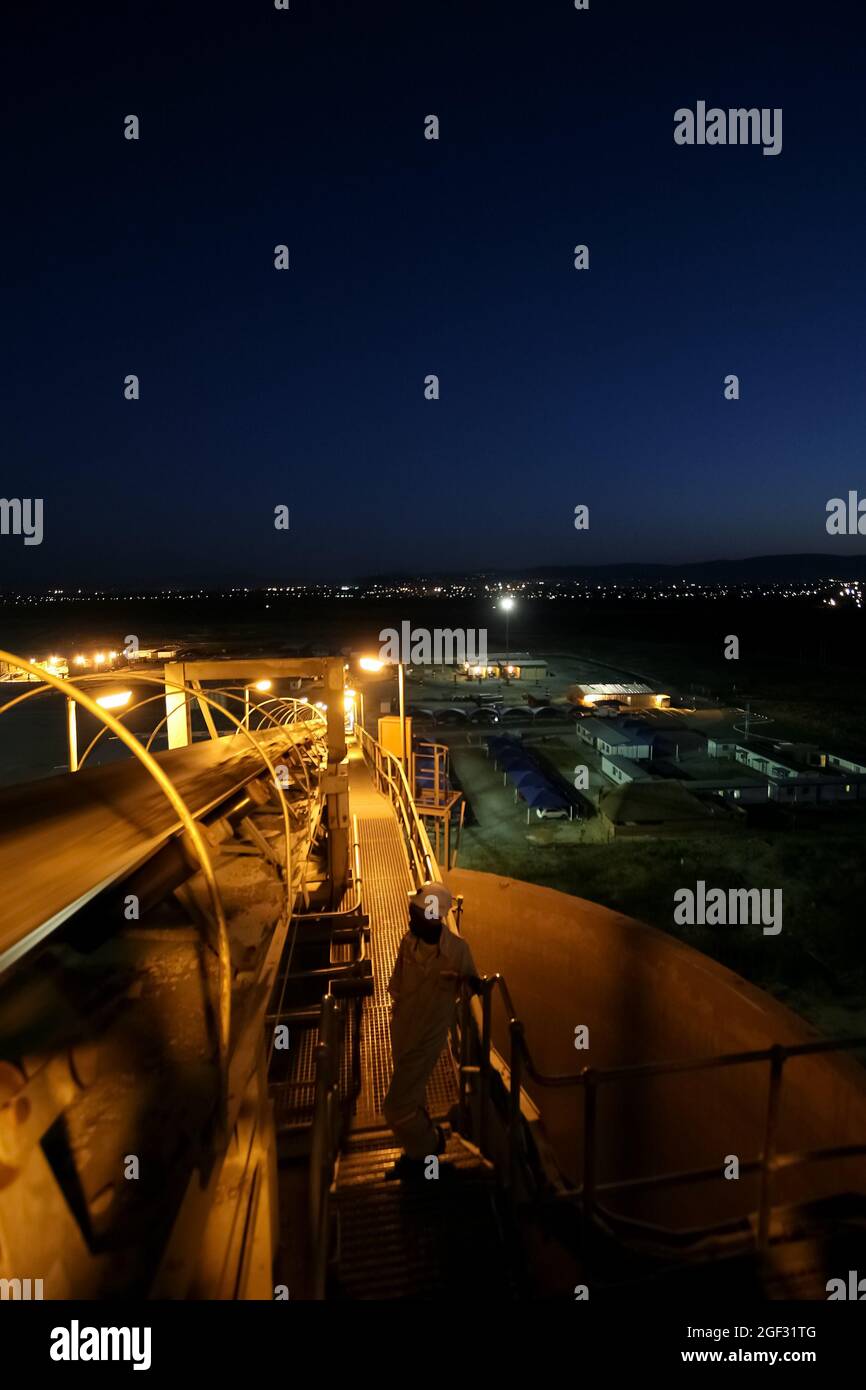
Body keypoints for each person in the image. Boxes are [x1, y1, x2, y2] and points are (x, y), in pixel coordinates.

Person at [383, 881, 481, 1181]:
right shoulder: (407, 942)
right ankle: (418, 1161)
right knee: (413, 1098)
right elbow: (397, 987)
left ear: (433, 916)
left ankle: (430, 1142)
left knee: (395, 1107)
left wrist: (464, 982)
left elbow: (474, 987)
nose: (410, 916)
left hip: (427, 1035)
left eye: (416, 912)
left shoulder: (456, 952)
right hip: (402, 1030)